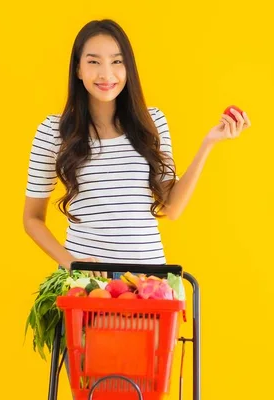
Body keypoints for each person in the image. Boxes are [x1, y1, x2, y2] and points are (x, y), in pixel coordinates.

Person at [22, 19, 251, 279]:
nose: (106, 74)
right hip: (86, 286)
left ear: (128, 67)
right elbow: (32, 219)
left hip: (149, 283)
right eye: (94, 62)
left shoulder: (151, 123)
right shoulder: (53, 131)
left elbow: (171, 208)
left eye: (117, 61)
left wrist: (208, 143)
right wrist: (72, 263)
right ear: (78, 69)